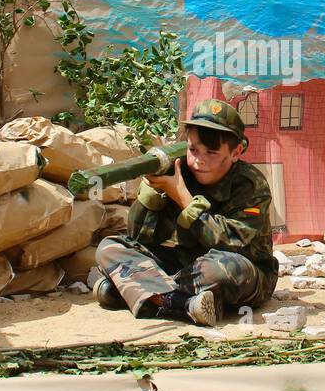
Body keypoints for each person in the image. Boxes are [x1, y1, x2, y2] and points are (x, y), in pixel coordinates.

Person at [88, 99, 276, 327]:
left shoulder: (251, 185)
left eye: (212, 152)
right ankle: (181, 304)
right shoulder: (179, 171)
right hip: (186, 262)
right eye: (193, 149)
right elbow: (141, 237)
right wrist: (152, 194)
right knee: (111, 247)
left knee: (223, 268)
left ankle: (137, 291)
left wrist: (183, 198)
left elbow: (231, 243)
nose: (199, 161)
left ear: (236, 152)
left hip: (241, 269)